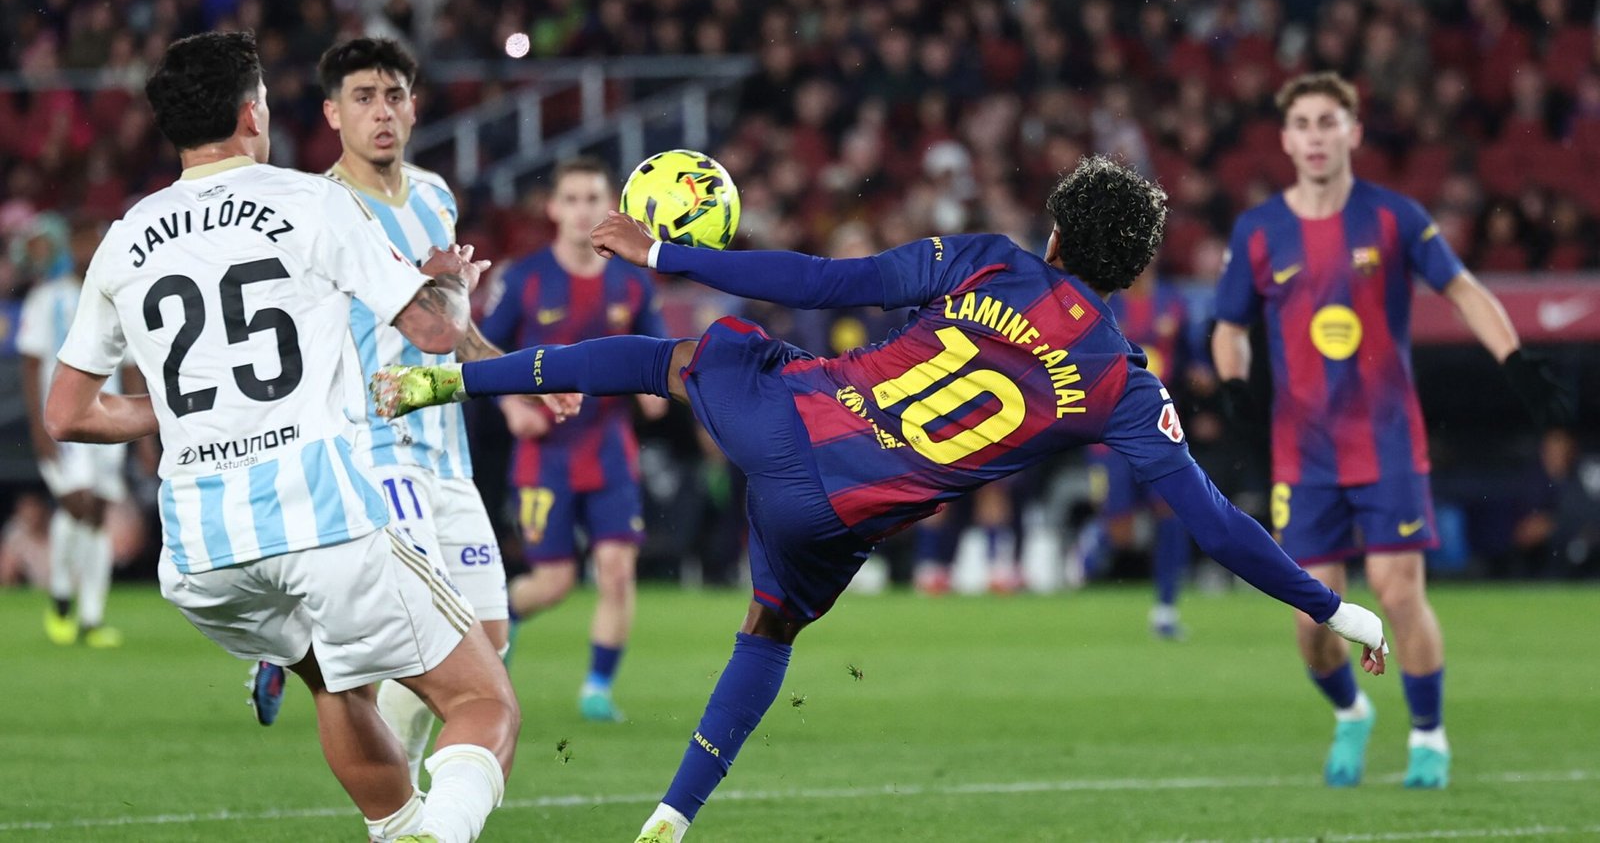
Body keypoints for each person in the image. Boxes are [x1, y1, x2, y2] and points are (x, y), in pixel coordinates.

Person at [374, 154, 1391, 843]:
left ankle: (444, 378)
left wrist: (673, 254)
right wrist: (1331, 607)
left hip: (790, 425)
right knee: (768, 630)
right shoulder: (1124, 383)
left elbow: (822, 282)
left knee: (678, 355)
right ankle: (673, 819)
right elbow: (1213, 522)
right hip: (843, 517)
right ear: (1132, 271)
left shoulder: (989, 259)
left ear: (1050, 232)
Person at [43, 31, 518, 843]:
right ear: (252, 111)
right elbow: (435, 335)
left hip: (198, 553)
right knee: (483, 699)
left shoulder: (127, 236)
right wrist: (450, 285)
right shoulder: (309, 200)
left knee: (338, 679)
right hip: (322, 519)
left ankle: (401, 831)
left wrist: (194, 409)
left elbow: (68, 414)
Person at [1211, 71, 1574, 791]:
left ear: (1354, 132)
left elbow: (1464, 289)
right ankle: (1351, 714)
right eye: (1304, 125)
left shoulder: (1395, 218)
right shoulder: (1259, 231)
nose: (1316, 136)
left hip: (1387, 443)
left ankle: (1429, 736)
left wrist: (1515, 360)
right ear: (1286, 140)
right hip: (1304, 452)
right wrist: (1232, 387)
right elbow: (1229, 328)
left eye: (1328, 122)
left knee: (1398, 592)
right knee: (1314, 621)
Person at [246, 37, 574, 788]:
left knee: (486, 639)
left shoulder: (433, 196)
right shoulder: (313, 210)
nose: (381, 112)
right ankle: (402, 818)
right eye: (362, 98)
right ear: (332, 113)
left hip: (447, 452)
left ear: (415, 105)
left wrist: (520, 377)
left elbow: (452, 323)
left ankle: (303, 650)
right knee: (417, 646)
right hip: (372, 452)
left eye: (393, 95)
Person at [477, 155, 668, 722]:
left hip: (609, 451)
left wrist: (659, 392)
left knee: (616, 570)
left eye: (594, 199)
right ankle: (496, 625)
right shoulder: (527, 277)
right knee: (555, 582)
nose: (584, 209)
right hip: (545, 454)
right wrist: (513, 407)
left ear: (609, 209)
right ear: (554, 208)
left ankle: (597, 690)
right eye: (574, 199)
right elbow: (482, 351)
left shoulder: (633, 280)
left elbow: (659, 358)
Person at [18, 214, 132, 647]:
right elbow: (30, 368)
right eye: (82, 244)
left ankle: (91, 618)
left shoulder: (119, 298)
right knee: (78, 505)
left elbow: (132, 367)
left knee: (99, 512)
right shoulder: (48, 299)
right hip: (63, 420)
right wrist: (38, 428)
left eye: (95, 244)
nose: (88, 252)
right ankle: (62, 595)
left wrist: (143, 441)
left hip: (109, 418)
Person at [1084, 264, 1195, 638]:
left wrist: (1201, 375)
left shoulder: (1173, 302)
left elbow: (1190, 356)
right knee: (1121, 529)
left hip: (1159, 427)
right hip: (1109, 430)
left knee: (1171, 512)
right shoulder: (1103, 302)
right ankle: (1087, 553)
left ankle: (1166, 607)